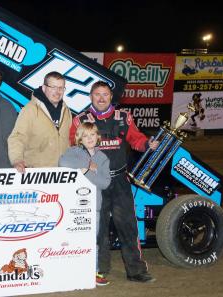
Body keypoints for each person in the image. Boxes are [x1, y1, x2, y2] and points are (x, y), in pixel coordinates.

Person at [69, 81, 159, 283]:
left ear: (111, 97)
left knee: (127, 226)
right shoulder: (81, 120)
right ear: (91, 96)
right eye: (97, 94)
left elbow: (135, 138)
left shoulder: (123, 117)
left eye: (105, 94)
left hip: (119, 180)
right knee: (98, 229)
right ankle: (99, 269)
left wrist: (147, 144)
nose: (101, 98)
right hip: (94, 183)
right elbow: (72, 147)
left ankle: (136, 270)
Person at [59, 122, 111, 286]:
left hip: (93, 207)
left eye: (92, 135)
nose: (89, 138)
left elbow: (104, 183)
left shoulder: (103, 158)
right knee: (73, 241)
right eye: (85, 136)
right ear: (79, 139)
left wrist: (86, 172)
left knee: (91, 241)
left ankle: (94, 271)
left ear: (98, 137)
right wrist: (87, 166)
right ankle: (71, 272)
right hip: (74, 206)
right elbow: (63, 164)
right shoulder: (73, 152)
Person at [8, 71, 72, 172]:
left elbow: (68, 141)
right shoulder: (30, 109)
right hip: (37, 174)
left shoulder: (66, 111)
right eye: (53, 87)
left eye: (61, 88)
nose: (57, 91)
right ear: (44, 88)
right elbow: (18, 136)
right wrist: (17, 160)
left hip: (61, 174)